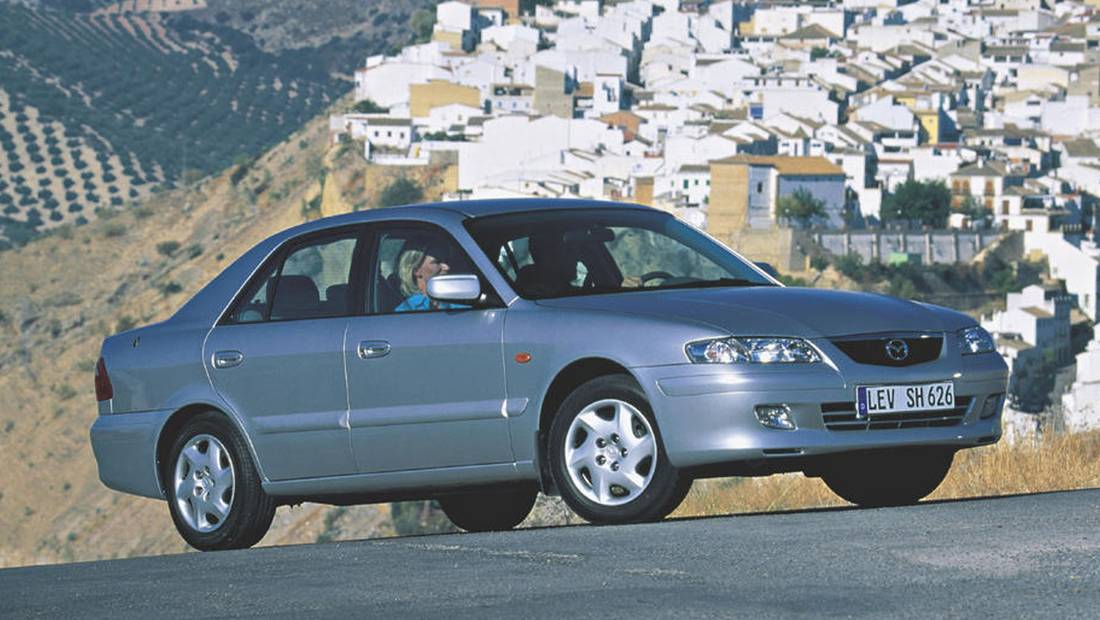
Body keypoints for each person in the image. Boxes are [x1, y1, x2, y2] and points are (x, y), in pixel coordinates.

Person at [394, 245, 465, 312]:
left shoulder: (459, 302)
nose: (446, 267)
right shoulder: (406, 310)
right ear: (416, 270)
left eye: (446, 261)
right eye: (437, 262)